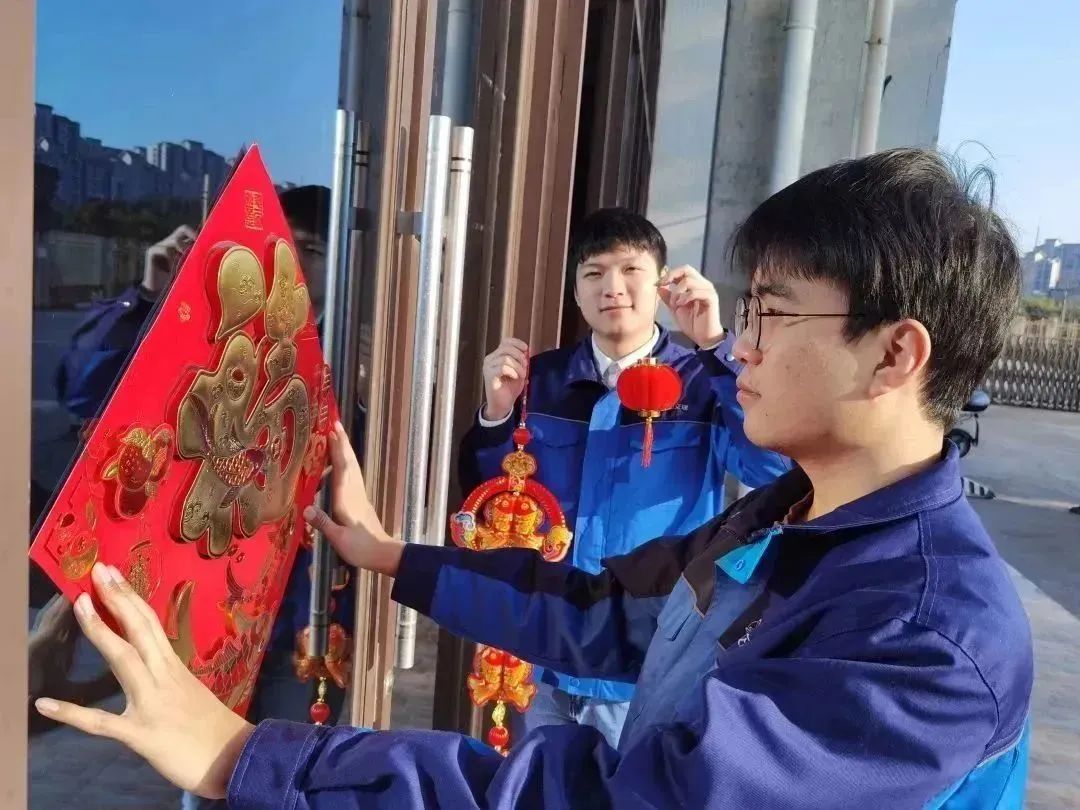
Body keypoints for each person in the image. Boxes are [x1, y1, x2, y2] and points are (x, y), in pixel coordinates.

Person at [38, 149, 1034, 808]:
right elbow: (594, 611)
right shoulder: (781, 523)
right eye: (746, 314)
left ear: (895, 354)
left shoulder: (925, 639)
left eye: (772, 313)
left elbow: (622, 801)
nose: (741, 347)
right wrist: (391, 556)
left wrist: (250, 757)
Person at [31, 185, 358, 808]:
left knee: (286, 779)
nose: (294, 260)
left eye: (312, 249)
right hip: (207, 608)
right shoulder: (211, 338)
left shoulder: (346, 354)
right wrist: (148, 295)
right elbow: (85, 393)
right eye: (287, 244)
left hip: (304, 617)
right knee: (205, 778)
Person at [460, 208, 789, 745]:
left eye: (631, 269)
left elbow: (770, 467)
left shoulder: (702, 379)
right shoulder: (538, 381)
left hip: (648, 654)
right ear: (576, 291)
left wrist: (717, 347)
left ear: (662, 282)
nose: (612, 287)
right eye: (593, 273)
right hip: (546, 648)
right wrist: (496, 415)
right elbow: (487, 504)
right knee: (538, 783)